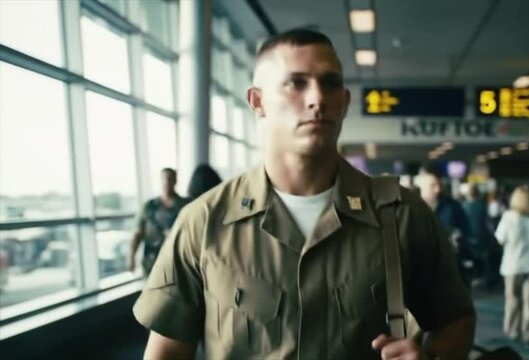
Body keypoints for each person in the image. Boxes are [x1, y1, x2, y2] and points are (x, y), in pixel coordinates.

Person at [132, 29, 475, 360]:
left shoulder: (400, 213)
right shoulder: (204, 222)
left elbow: (455, 320)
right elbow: (168, 351)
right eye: (296, 83)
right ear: (258, 101)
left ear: (344, 101)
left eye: (330, 83)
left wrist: (430, 355)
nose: (317, 98)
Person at [495, 186, 529, 349]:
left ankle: (512, 330)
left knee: (513, 300)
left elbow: (500, 239)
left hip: (513, 266)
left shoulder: (508, 217)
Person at [128, 168, 188, 276]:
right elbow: (138, 233)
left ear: (175, 181)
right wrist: (132, 256)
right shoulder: (150, 206)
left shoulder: (185, 205)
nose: (166, 182)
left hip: (178, 263)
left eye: (170, 179)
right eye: (164, 179)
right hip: (152, 262)